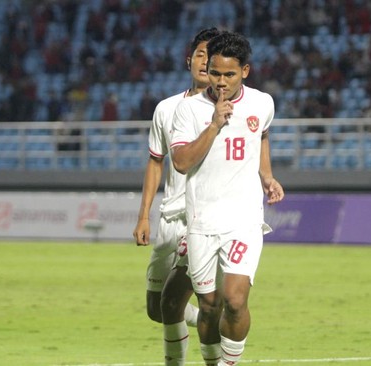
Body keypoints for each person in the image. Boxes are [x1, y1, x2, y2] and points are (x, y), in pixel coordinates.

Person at [170, 31, 284, 366]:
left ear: (245, 72)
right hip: (202, 222)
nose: (221, 82)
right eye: (216, 73)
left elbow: (261, 135)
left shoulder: (262, 103)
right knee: (209, 306)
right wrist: (214, 126)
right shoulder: (189, 110)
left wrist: (266, 175)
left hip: (244, 220)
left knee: (234, 300)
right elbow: (181, 162)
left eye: (229, 75)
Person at [133, 27, 221, 366]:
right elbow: (156, 162)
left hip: (201, 219)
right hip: (170, 218)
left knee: (172, 303)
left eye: (212, 57)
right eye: (200, 54)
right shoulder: (166, 109)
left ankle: (209, 348)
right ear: (189, 61)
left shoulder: (229, 112)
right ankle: (210, 318)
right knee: (157, 309)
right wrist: (144, 216)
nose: (205, 61)